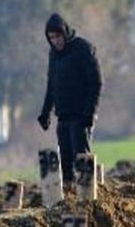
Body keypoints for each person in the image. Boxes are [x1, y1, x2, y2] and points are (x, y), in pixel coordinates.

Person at [37, 13, 103, 186]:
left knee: (81, 159)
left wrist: (90, 112)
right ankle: (69, 198)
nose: (55, 41)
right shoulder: (54, 55)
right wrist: (45, 113)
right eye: (51, 38)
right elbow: (52, 85)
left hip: (81, 116)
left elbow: (96, 82)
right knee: (65, 162)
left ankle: (87, 199)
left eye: (58, 36)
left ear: (65, 33)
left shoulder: (83, 48)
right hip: (63, 116)